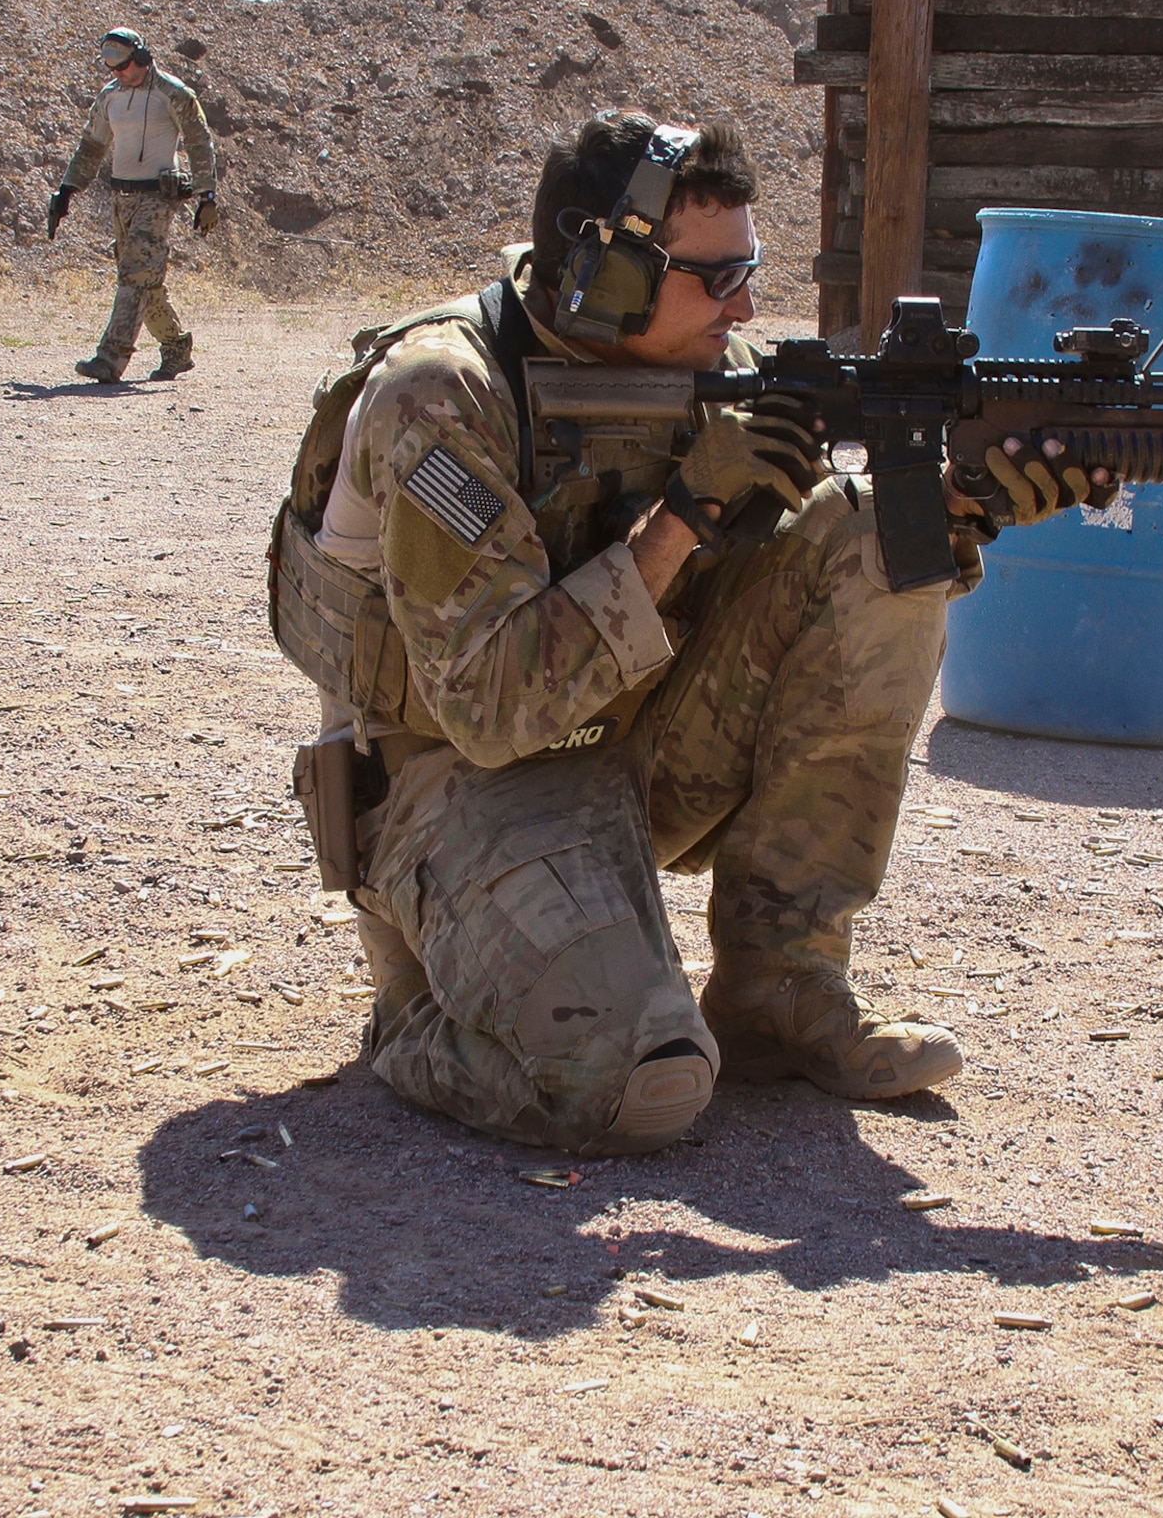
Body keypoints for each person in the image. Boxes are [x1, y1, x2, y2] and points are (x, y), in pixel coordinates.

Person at [268, 111, 1113, 1156]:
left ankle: (779, 982)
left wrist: (961, 508)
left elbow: (795, 587)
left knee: (870, 543)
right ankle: (417, 1015)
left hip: (625, 742)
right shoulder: (440, 395)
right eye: (714, 277)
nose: (746, 303)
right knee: (639, 1086)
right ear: (598, 274)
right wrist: (681, 518)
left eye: (747, 268)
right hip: (449, 785)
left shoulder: (719, 369)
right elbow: (488, 714)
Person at [48, 26, 218, 382]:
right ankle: (176, 347)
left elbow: (200, 143)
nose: (117, 73)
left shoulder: (173, 94)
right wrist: (66, 190)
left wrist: (207, 196)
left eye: (123, 65)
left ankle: (109, 359)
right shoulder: (109, 96)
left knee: (134, 275)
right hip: (120, 198)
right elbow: (91, 147)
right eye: (110, 66)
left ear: (141, 57)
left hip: (157, 198)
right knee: (144, 282)